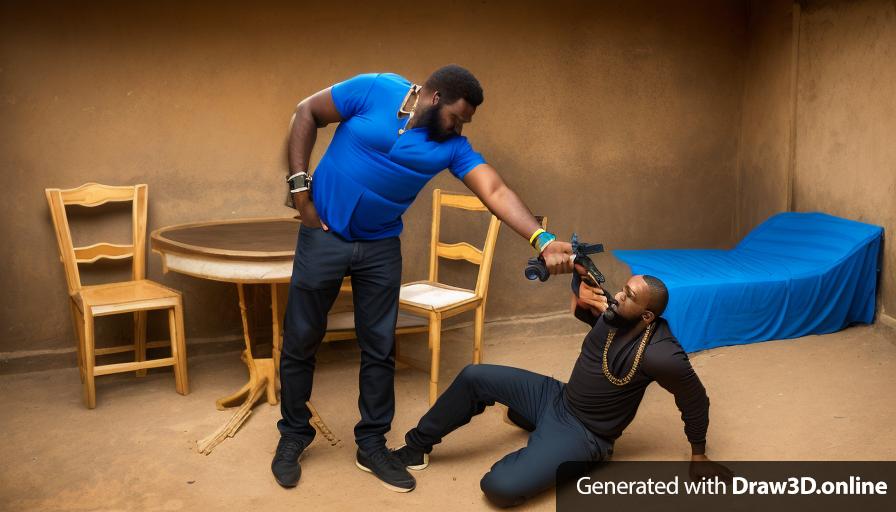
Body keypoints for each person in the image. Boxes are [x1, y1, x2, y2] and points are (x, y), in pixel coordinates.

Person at [272, 64, 575, 492]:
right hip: (323, 236)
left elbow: (495, 190)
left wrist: (541, 239)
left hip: (379, 247)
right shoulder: (374, 88)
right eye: (457, 117)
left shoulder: (452, 147)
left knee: (379, 346)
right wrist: (300, 191)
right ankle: (294, 435)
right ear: (434, 99)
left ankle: (371, 444)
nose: (459, 127)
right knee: (302, 337)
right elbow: (307, 112)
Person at [391, 272, 732, 507]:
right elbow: (583, 311)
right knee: (473, 375)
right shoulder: (614, 313)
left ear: (646, 316)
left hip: (585, 433)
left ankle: (555, 451)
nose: (618, 295)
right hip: (556, 396)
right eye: (623, 288)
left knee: (498, 487)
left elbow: (695, 400)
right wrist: (578, 291)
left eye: (628, 296)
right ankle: (415, 448)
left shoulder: (663, 354)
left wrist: (698, 455)